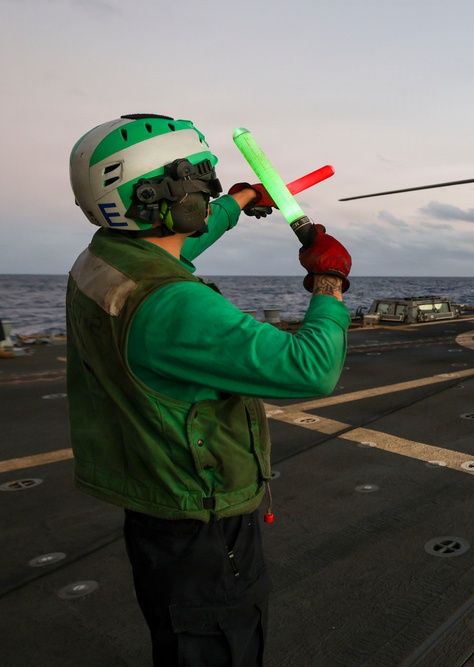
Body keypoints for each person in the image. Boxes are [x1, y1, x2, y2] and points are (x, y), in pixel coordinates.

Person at [66, 114, 352, 666]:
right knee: (219, 646)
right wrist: (329, 282)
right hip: (201, 523)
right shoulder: (175, 304)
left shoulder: (105, 257)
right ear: (164, 196)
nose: (210, 190)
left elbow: (178, 245)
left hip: (153, 497)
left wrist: (241, 201)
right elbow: (312, 368)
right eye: (202, 181)